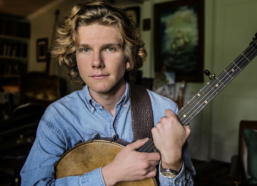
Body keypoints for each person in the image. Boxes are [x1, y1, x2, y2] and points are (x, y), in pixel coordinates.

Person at [20, 0, 196, 185]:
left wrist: (173, 162)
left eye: (109, 48)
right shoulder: (58, 117)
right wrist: (108, 175)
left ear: (128, 58)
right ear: (74, 58)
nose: (97, 62)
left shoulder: (164, 110)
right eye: (85, 49)